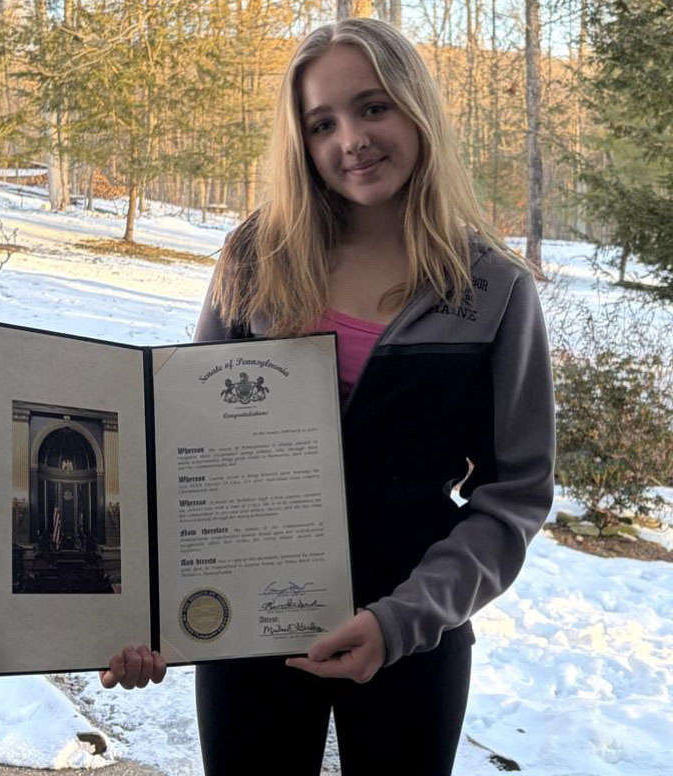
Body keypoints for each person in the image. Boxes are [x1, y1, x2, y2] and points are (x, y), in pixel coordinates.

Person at [100, 17, 555, 776]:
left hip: (413, 641)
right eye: (323, 122)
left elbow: (515, 496)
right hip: (246, 633)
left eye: (373, 107)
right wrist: (143, 613)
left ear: (416, 108)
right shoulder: (254, 258)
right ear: (301, 140)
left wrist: (402, 620)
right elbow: (189, 456)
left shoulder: (495, 290)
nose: (352, 139)